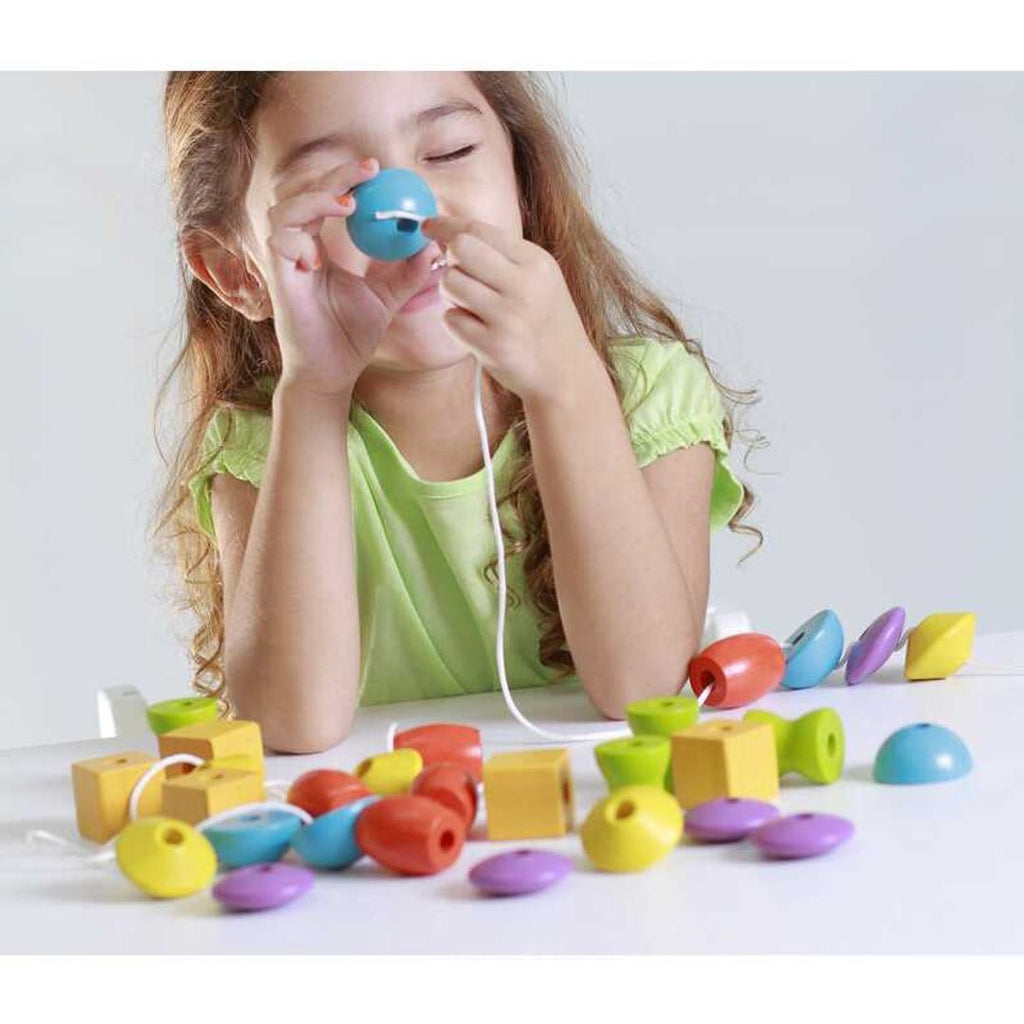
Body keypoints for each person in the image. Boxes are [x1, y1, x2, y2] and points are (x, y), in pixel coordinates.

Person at [151, 71, 763, 754]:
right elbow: (292, 725)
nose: (408, 208)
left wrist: (567, 387)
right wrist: (315, 393)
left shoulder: (643, 396)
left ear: (522, 181)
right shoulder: (267, 442)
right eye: (338, 188)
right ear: (236, 270)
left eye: (448, 154)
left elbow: (641, 688)